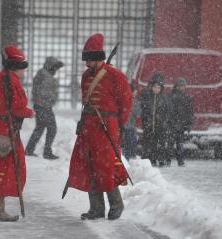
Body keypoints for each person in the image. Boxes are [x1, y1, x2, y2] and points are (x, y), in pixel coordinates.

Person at [67, 33, 132, 221]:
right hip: (89, 127)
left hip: (107, 127)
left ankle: (117, 204)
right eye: (85, 60)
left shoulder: (115, 76)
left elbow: (126, 102)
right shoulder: (86, 76)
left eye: (89, 60)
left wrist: (119, 125)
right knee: (90, 167)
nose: (86, 65)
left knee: (107, 167)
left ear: (98, 58)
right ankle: (96, 208)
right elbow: (85, 101)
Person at [0, 45, 35, 221]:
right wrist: (29, 112)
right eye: (22, 68)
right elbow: (16, 107)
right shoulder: (10, 81)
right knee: (2, 169)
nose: (24, 72)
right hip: (3, 130)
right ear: (16, 67)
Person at [25, 56, 64, 159]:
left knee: (40, 128)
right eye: (55, 67)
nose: (56, 70)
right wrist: (54, 88)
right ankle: (46, 152)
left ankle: (29, 149)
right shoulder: (44, 76)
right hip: (43, 106)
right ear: (50, 66)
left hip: (41, 105)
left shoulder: (43, 74)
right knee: (52, 128)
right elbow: (42, 92)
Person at [139, 73, 172, 167]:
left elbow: (168, 111)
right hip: (149, 126)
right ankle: (151, 160)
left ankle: (161, 160)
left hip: (160, 126)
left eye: (158, 87)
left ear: (161, 88)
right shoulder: (147, 97)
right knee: (150, 144)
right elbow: (143, 110)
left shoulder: (164, 98)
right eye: (155, 87)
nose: (156, 89)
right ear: (151, 87)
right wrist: (146, 120)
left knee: (161, 143)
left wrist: (164, 121)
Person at [168, 77, 193, 166]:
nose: (182, 87)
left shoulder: (186, 97)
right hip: (172, 124)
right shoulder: (171, 96)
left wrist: (189, 124)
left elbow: (189, 112)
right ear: (177, 86)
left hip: (181, 125)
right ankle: (168, 160)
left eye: (183, 86)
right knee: (171, 144)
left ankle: (180, 161)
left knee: (180, 144)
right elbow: (168, 110)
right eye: (180, 86)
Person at [122, 80, 141, 160]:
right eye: (135, 90)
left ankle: (126, 157)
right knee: (131, 143)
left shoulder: (123, 99)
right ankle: (128, 158)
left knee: (125, 144)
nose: (136, 92)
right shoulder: (133, 101)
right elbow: (138, 113)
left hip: (123, 125)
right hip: (130, 126)